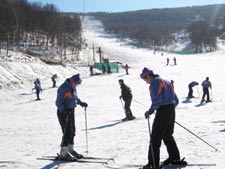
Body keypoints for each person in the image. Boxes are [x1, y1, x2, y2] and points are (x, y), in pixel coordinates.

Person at [140, 67, 186, 169]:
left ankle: (153, 164)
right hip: (171, 110)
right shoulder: (166, 81)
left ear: (148, 75)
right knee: (167, 135)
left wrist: (151, 111)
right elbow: (176, 99)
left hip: (163, 111)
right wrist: (169, 110)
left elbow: (157, 99)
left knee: (155, 138)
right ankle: (174, 158)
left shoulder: (155, 82)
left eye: (144, 79)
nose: (145, 81)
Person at [55, 74, 88, 161]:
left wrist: (81, 103)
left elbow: (74, 98)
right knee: (67, 131)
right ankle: (63, 152)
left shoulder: (72, 87)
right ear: (72, 81)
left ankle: (70, 149)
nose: (77, 85)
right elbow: (58, 102)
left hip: (71, 111)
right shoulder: (63, 88)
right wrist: (64, 111)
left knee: (72, 130)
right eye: (76, 83)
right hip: (63, 112)